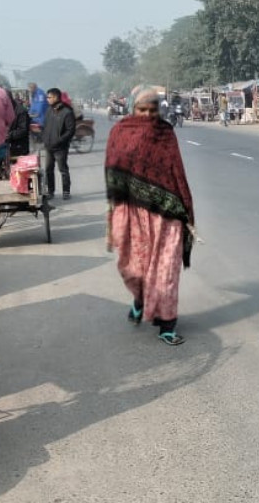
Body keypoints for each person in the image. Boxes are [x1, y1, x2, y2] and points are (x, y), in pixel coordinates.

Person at [106, 86, 196, 346]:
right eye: (141, 109)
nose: (147, 115)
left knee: (166, 270)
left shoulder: (166, 133)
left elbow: (176, 169)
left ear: (159, 111)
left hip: (166, 212)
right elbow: (113, 171)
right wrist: (114, 211)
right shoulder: (119, 132)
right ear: (133, 109)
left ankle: (167, 324)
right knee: (132, 269)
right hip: (131, 210)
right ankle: (140, 299)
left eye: (152, 110)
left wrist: (186, 208)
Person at [41, 88, 76, 199]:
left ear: (56, 97)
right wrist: (45, 138)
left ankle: (66, 191)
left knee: (63, 169)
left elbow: (70, 130)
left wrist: (60, 140)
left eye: (49, 97)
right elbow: (45, 126)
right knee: (48, 169)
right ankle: (51, 191)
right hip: (49, 146)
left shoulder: (67, 112)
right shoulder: (49, 111)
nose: (47, 100)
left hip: (60, 147)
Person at [7, 93, 32, 157]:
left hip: (19, 147)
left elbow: (23, 130)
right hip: (7, 146)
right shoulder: (4, 109)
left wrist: (8, 135)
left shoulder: (21, 111)